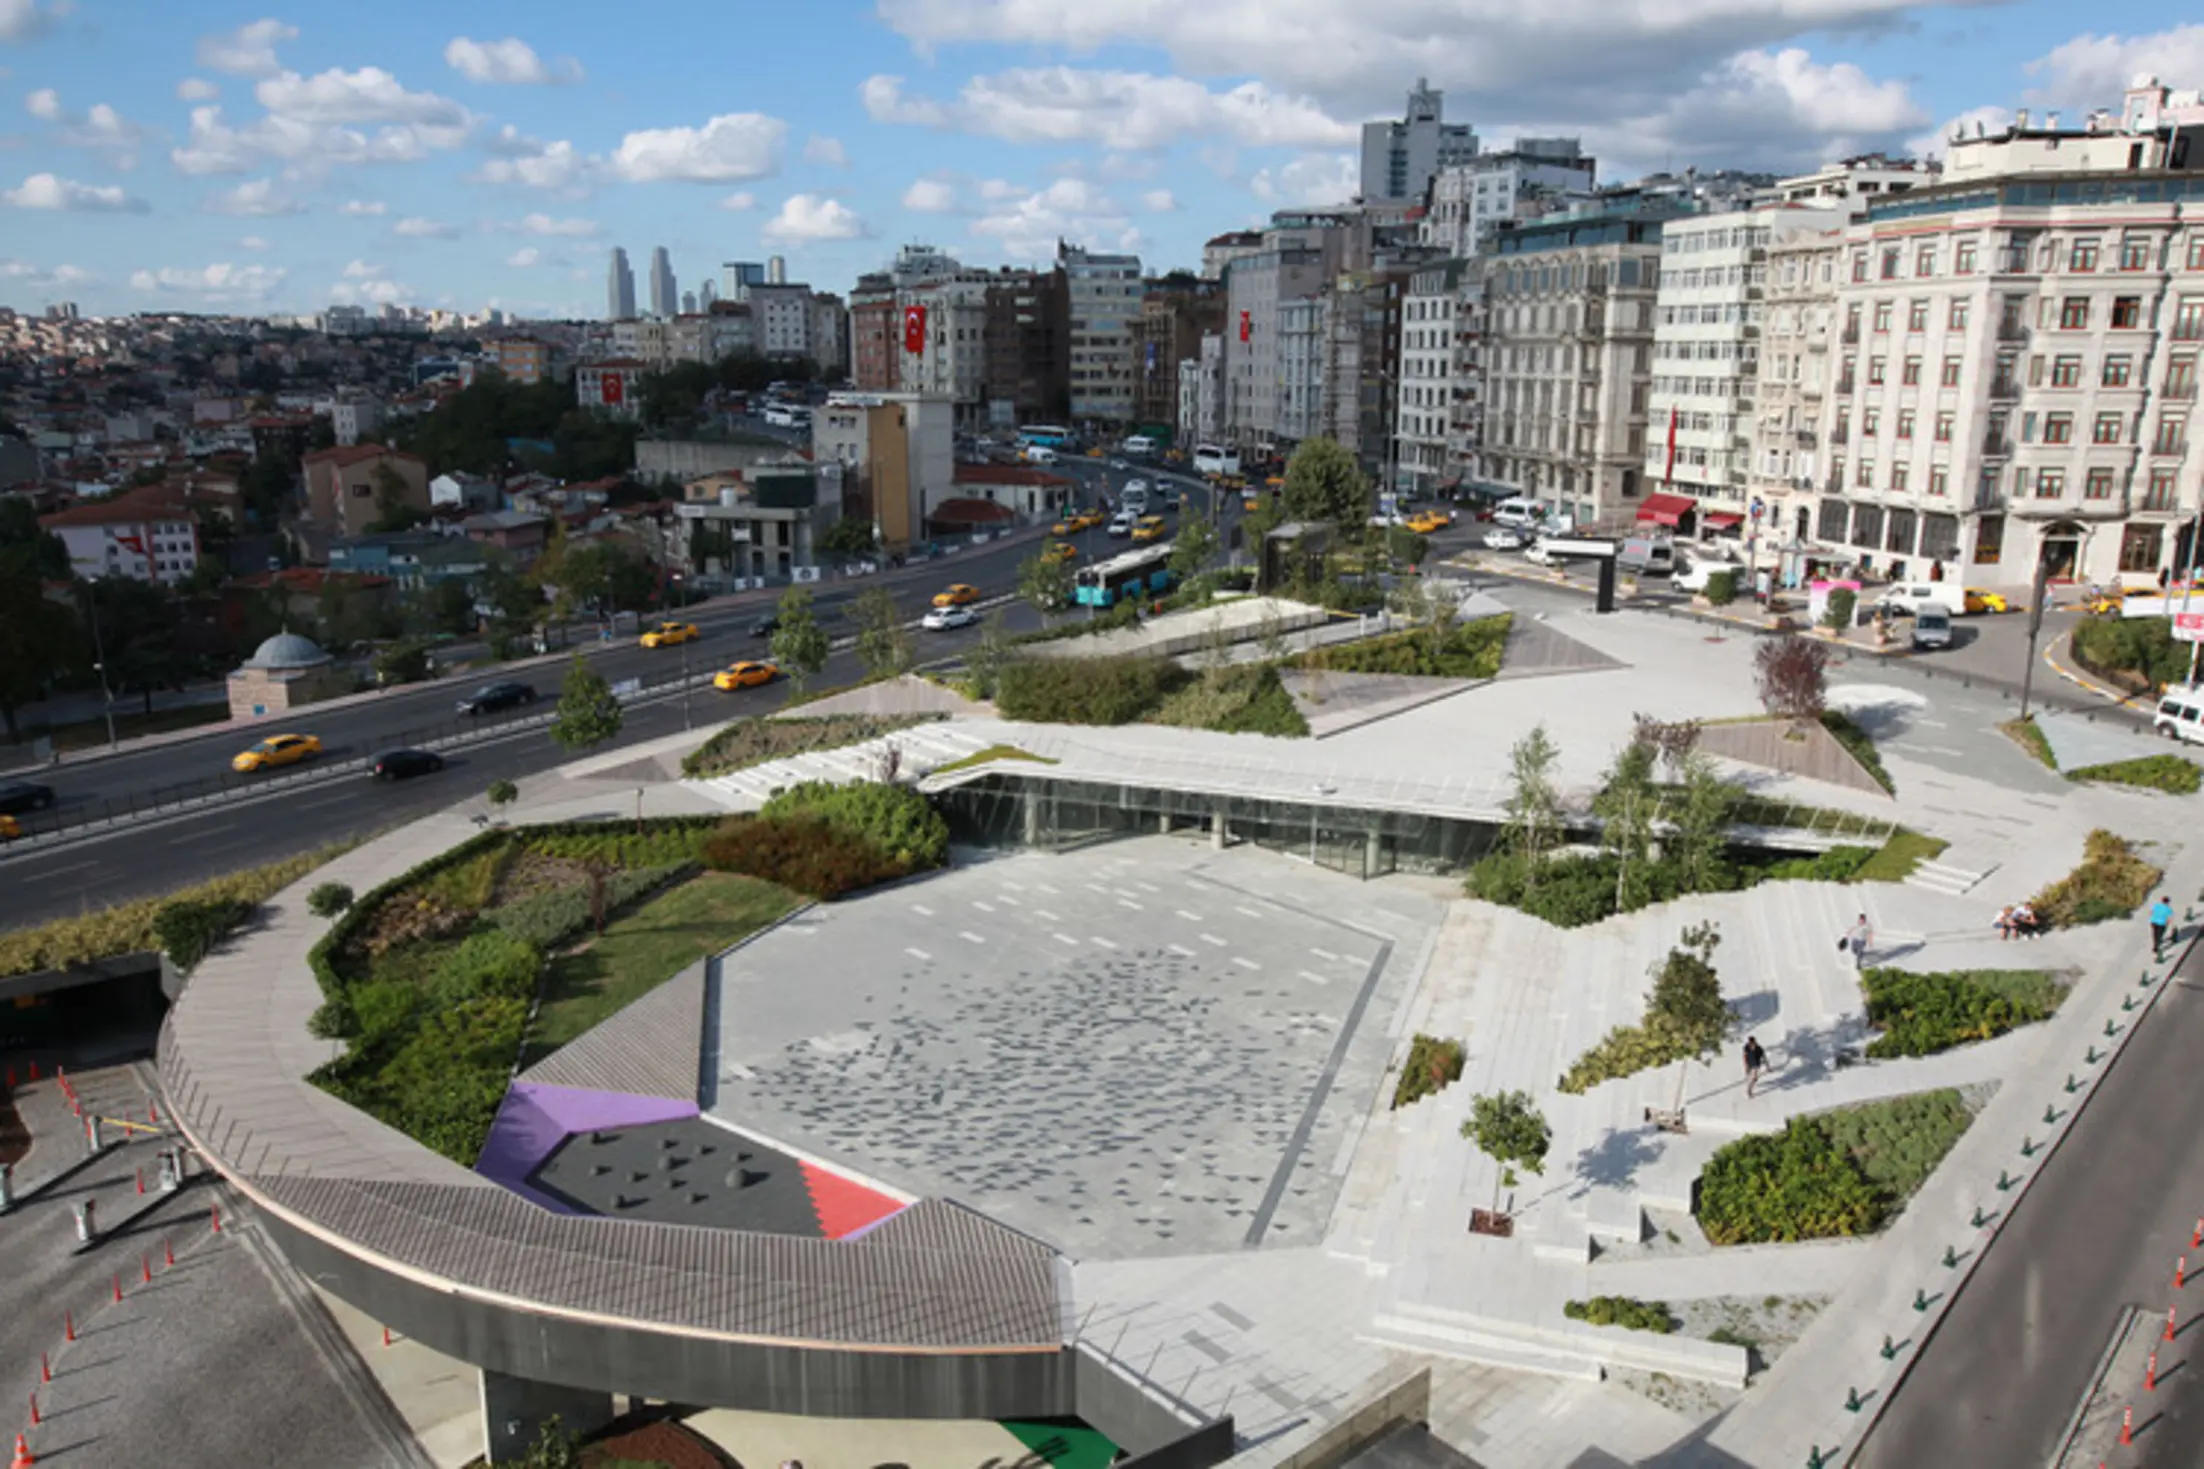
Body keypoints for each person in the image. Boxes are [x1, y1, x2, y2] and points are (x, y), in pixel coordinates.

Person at [2151, 893, 2176, 959]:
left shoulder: (2156, 905)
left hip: (2154, 922)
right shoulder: (2168, 909)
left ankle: (2155, 944)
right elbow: (2169, 918)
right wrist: (2170, 925)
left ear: (2162, 901)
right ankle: (2156, 946)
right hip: (2162, 924)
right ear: (2167, 902)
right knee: (2160, 934)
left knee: (2155, 934)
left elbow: (2151, 912)